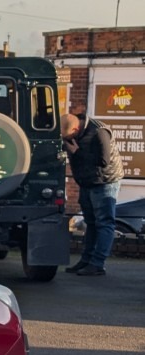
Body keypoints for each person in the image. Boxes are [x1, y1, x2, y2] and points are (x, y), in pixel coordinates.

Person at [62, 110, 123, 276]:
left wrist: (77, 152)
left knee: (104, 222)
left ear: (75, 130)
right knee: (91, 222)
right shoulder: (75, 132)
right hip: (87, 182)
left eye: (67, 138)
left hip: (104, 182)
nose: (67, 142)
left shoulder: (99, 132)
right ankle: (86, 260)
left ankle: (97, 263)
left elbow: (103, 161)